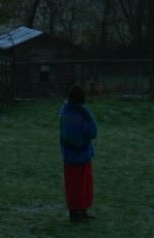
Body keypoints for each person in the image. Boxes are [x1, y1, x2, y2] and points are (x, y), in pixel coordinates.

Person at [60, 83, 98, 223]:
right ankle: (82, 211)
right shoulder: (82, 112)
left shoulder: (64, 110)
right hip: (81, 155)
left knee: (72, 185)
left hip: (68, 155)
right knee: (83, 184)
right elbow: (93, 132)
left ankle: (74, 212)